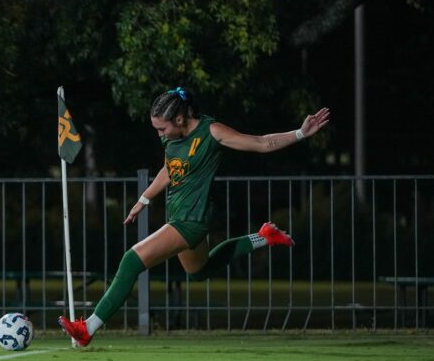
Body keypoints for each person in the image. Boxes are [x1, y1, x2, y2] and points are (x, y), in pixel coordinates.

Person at [59, 87, 330, 346]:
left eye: (162, 128)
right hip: (180, 216)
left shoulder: (212, 131)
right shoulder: (172, 138)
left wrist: (300, 133)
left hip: (191, 220)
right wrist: (144, 199)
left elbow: (260, 143)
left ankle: (88, 328)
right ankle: (262, 238)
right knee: (199, 271)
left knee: (131, 261)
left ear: (180, 118)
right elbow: (170, 168)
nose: (159, 135)